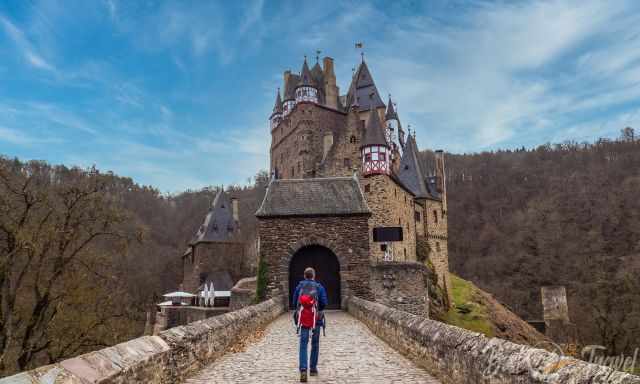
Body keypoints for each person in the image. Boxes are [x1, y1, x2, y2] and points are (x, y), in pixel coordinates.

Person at [293, 267, 328, 382]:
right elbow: (324, 302)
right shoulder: (319, 287)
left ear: (304, 275)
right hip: (316, 319)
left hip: (303, 319)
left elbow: (294, 302)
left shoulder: (300, 287)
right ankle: (313, 369)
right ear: (314, 276)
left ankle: (303, 369)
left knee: (303, 343)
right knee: (315, 343)